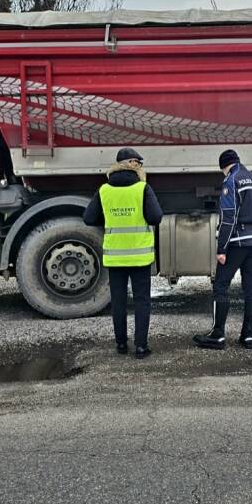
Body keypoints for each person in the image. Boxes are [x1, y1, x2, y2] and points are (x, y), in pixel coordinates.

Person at [84, 148, 163, 359]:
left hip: (115, 256)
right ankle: (140, 347)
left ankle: (120, 344)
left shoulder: (104, 190)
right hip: (139, 256)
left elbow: (89, 218)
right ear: (135, 165)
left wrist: (111, 220)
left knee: (118, 301)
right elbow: (156, 217)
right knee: (141, 301)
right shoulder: (142, 188)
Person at [193, 149, 252, 350]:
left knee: (221, 286)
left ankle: (218, 335)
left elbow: (228, 217)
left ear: (224, 166)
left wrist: (222, 248)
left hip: (237, 241)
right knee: (250, 290)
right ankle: (248, 337)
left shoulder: (231, 180)